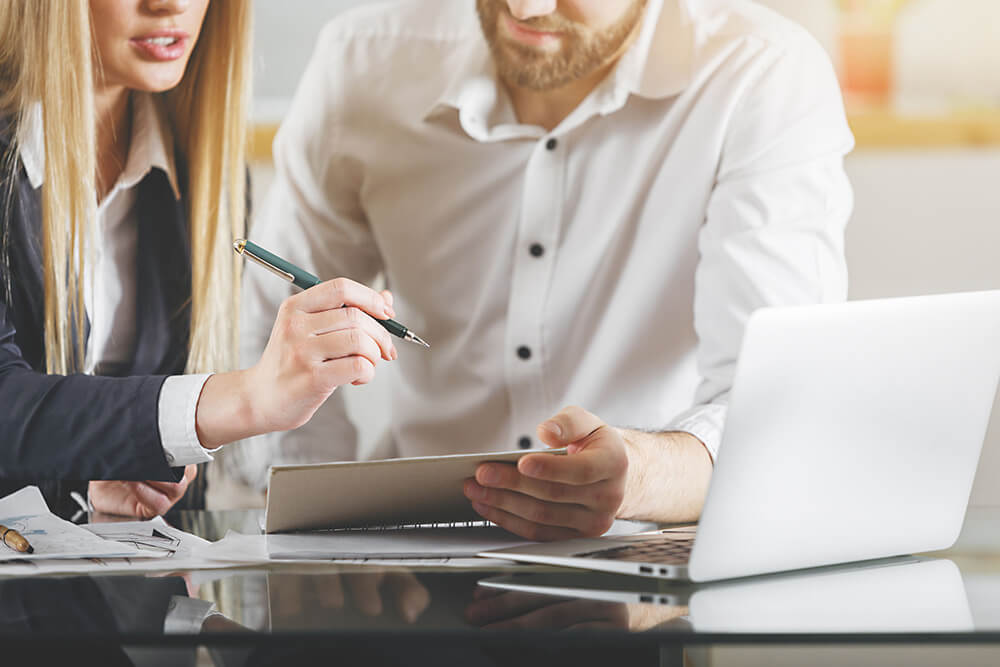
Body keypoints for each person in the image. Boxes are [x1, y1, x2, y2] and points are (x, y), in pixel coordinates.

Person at [239, 0, 853, 540]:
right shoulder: (363, 61)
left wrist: (638, 478)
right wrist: (323, 535)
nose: (526, 10)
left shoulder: (759, 72)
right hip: (414, 558)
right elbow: (271, 337)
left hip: (648, 553)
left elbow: (778, 403)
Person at [0, 0, 397, 518]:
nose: (170, 5)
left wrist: (100, 481)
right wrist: (246, 398)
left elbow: (95, 451)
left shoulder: (205, 174)